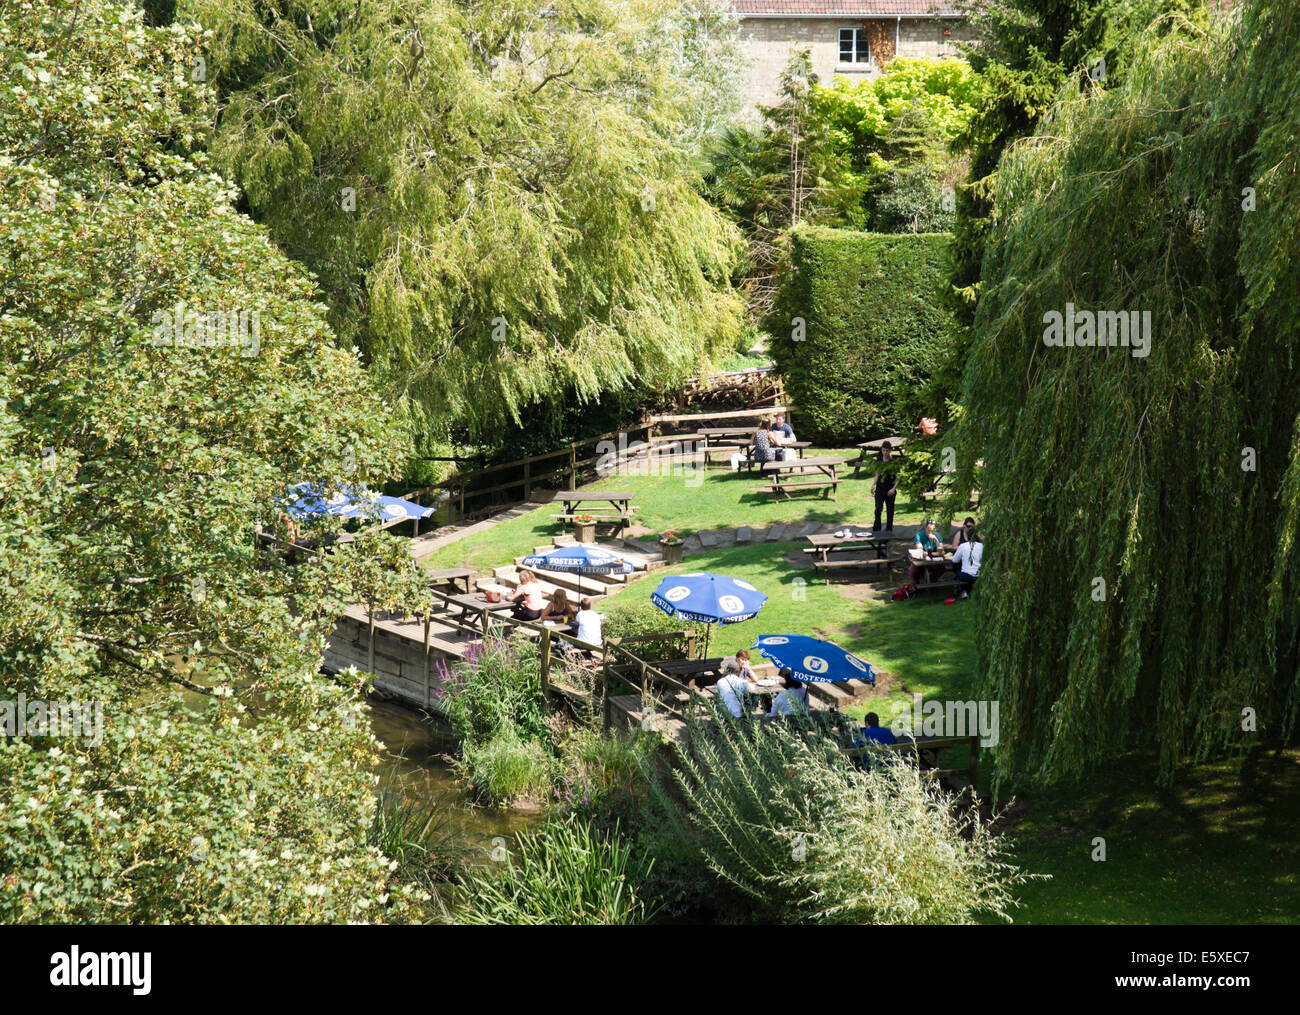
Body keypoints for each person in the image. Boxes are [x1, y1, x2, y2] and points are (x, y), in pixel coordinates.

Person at [873, 442, 899, 534]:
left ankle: (889, 530)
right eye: (883, 450)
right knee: (878, 509)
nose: (885, 452)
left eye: (887, 451)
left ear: (890, 451)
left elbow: (898, 477)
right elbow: (877, 474)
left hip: (890, 490)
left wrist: (893, 489)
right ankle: (876, 530)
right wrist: (873, 485)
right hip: (880, 489)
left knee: (890, 511)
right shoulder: (879, 461)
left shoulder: (893, 462)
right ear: (881, 450)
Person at [952, 529, 983, 598]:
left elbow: (954, 560)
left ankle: (963, 591)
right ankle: (968, 590)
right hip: (980, 574)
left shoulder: (963, 546)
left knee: (958, 571)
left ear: (968, 537)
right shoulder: (982, 546)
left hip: (966, 576)